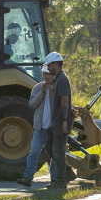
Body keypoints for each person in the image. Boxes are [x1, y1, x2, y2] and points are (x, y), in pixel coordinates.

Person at [16, 66, 54, 187]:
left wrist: (52, 92)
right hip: (40, 127)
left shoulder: (58, 87)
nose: (47, 76)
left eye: (50, 74)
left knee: (54, 154)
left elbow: (61, 104)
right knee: (34, 152)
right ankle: (28, 177)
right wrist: (42, 93)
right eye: (45, 74)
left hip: (53, 128)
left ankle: (55, 179)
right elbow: (32, 104)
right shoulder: (38, 87)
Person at [41, 51, 71, 189]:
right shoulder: (58, 79)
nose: (48, 69)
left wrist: (65, 120)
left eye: (49, 66)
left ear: (55, 64)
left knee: (58, 151)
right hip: (56, 121)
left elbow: (64, 101)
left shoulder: (62, 79)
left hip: (61, 121)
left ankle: (61, 181)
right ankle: (68, 172)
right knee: (50, 148)